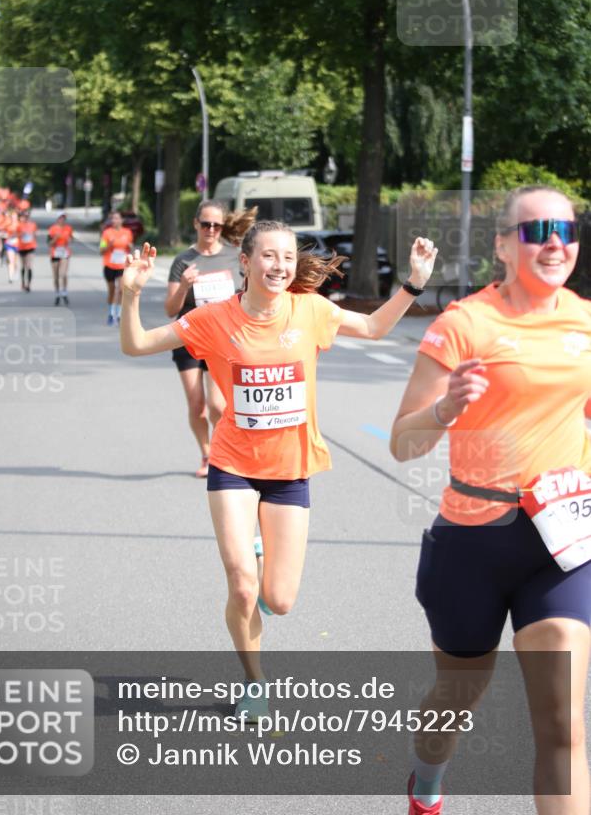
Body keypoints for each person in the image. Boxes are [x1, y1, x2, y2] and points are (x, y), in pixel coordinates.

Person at [121, 220, 436, 719]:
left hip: (290, 469)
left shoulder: (309, 310)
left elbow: (375, 328)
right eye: (268, 256)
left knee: (280, 600)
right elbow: (136, 344)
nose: (280, 266)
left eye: (287, 258)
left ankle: (262, 574)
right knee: (242, 584)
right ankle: (254, 681)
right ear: (244, 262)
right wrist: (130, 293)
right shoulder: (212, 318)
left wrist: (415, 281)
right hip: (233, 466)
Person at [390, 186, 590, 815]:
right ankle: (427, 777)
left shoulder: (586, 322)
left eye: (566, 227)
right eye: (536, 230)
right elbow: (402, 442)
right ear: (503, 246)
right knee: (459, 694)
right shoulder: (464, 324)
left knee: (563, 723)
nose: (554, 240)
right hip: (473, 540)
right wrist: (446, 408)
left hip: (560, 541)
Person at [165, 200, 254, 477]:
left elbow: (250, 293)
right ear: (196, 224)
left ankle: (221, 450)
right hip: (190, 339)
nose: (212, 230)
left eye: (217, 225)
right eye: (206, 224)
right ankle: (207, 454)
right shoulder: (183, 260)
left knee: (218, 405)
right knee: (197, 405)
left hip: (223, 341)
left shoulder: (235, 256)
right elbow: (170, 309)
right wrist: (183, 286)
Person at [100, 211, 133, 325]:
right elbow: (101, 250)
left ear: (122, 220)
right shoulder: (106, 233)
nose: (114, 221)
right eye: (113, 219)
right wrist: (109, 245)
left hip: (121, 266)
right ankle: (110, 313)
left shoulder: (127, 232)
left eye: (117, 218)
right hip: (109, 265)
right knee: (112, 291)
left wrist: (130, 247)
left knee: (120, 290)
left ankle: (118, 315)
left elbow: (130, 248)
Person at [47, 213, 75, 306]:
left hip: (65, 253)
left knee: (63, 274)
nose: (62, 220)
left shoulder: (68, 228)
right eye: (60, 218)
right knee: (56, 276)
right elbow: (49, 243)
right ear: (57, 219)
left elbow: (71, 238)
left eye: (64, 218)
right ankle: (57, 293)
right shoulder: (52, 229)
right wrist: (55, 238)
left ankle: (64, 292)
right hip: (54, 253)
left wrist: (70, 240)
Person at [16, 209, 38, 292]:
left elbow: (35, 235)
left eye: (27, 216)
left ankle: (28, 284)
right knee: (23, 266)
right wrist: (21, 234)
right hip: (21, 247)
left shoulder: (33, 225)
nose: (26, 218)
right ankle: (22, 282)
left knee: (29, 266)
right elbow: (16, 234)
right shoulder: (19, 225)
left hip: (31, 247)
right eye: (24, 216)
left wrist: (32, 237)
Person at [3, 209, 20, 284]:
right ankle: (10, 277)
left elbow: (23, 234)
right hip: (9, 244)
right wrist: (7, 235)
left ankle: (16, 271)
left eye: (15, 216)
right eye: (12, 217)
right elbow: (4, 234)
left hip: (18, 244)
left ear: (17, 217)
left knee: (16, 262)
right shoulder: (7, 225)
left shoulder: (20, 225)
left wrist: (16, 235)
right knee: (10, 261)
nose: (13, 218)